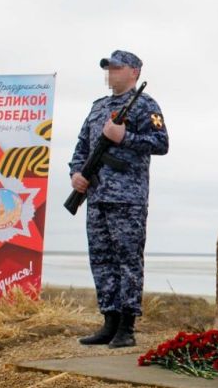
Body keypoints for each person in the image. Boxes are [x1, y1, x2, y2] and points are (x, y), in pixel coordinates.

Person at [69, 50, 169, 348]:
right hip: (96, 195)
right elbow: (81, 147)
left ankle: (127, 327)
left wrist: (123, 137)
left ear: (134, 71)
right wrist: (76, 174)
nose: (110, 72)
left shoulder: (145, 105)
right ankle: (109, 322)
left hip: (128, 198)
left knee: (128, 261)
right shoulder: (98, 108)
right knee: (101, 260)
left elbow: (161, 143)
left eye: (117, 67)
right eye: (108, 68)